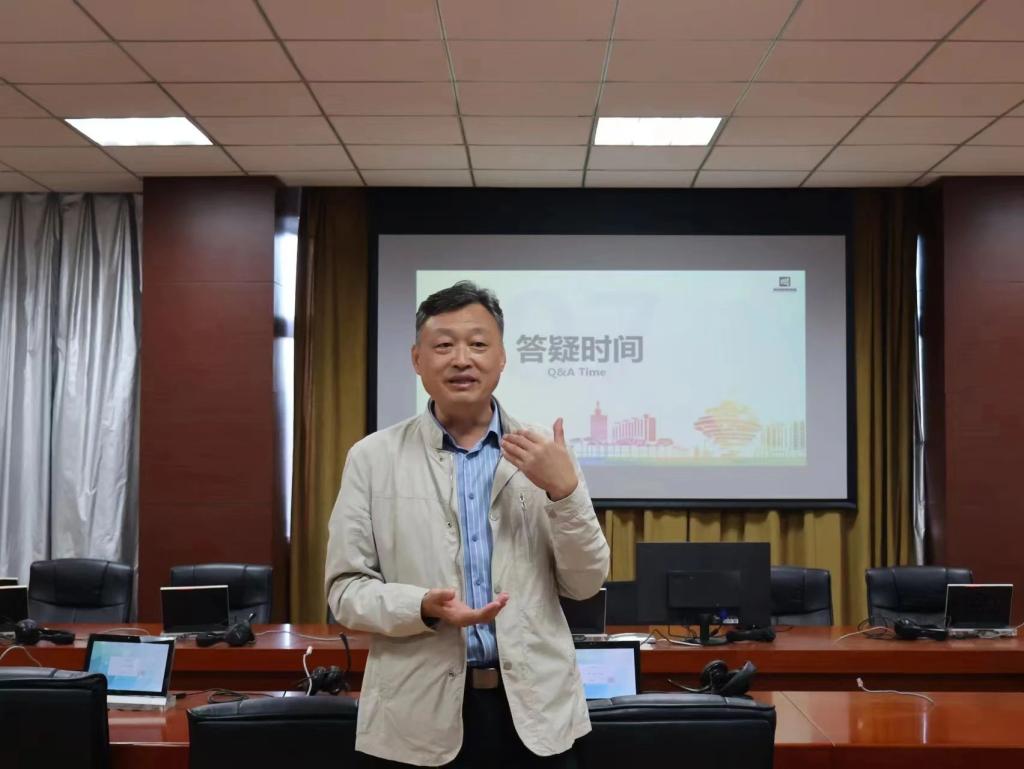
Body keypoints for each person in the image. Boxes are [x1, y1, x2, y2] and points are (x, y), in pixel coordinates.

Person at [325, 281, 609, 767]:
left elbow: (584, 584)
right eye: (443, 345)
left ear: (502, 358)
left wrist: (565, 493)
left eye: (478, 344)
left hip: (536, 716)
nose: (462, 359)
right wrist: (421, 605)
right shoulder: (372, 458)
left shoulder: (546, 454)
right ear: (417, 360)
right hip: (417, 716)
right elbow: (345, 592)